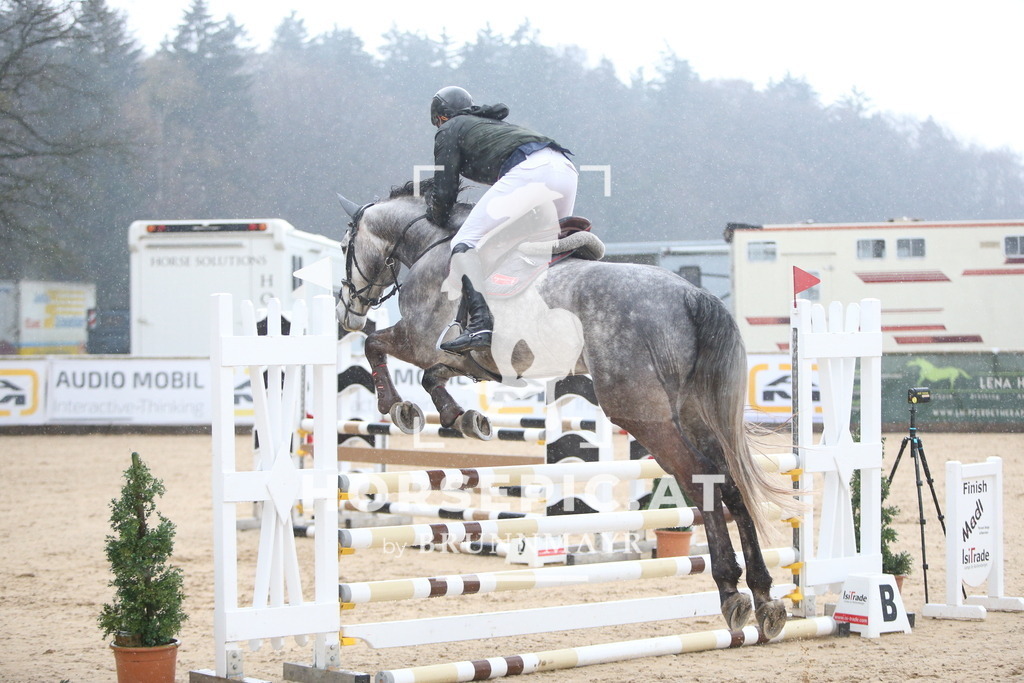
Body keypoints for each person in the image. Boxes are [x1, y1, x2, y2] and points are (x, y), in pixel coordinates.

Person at [427, 86, 579, 354]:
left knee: (464, 242)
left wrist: (435, 216)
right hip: (565, 169)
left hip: (531, 172)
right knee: (547, 244)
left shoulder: (449, 128)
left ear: (441, 117)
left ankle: (481, 323)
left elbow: (445, 190)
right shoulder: (488, 124)